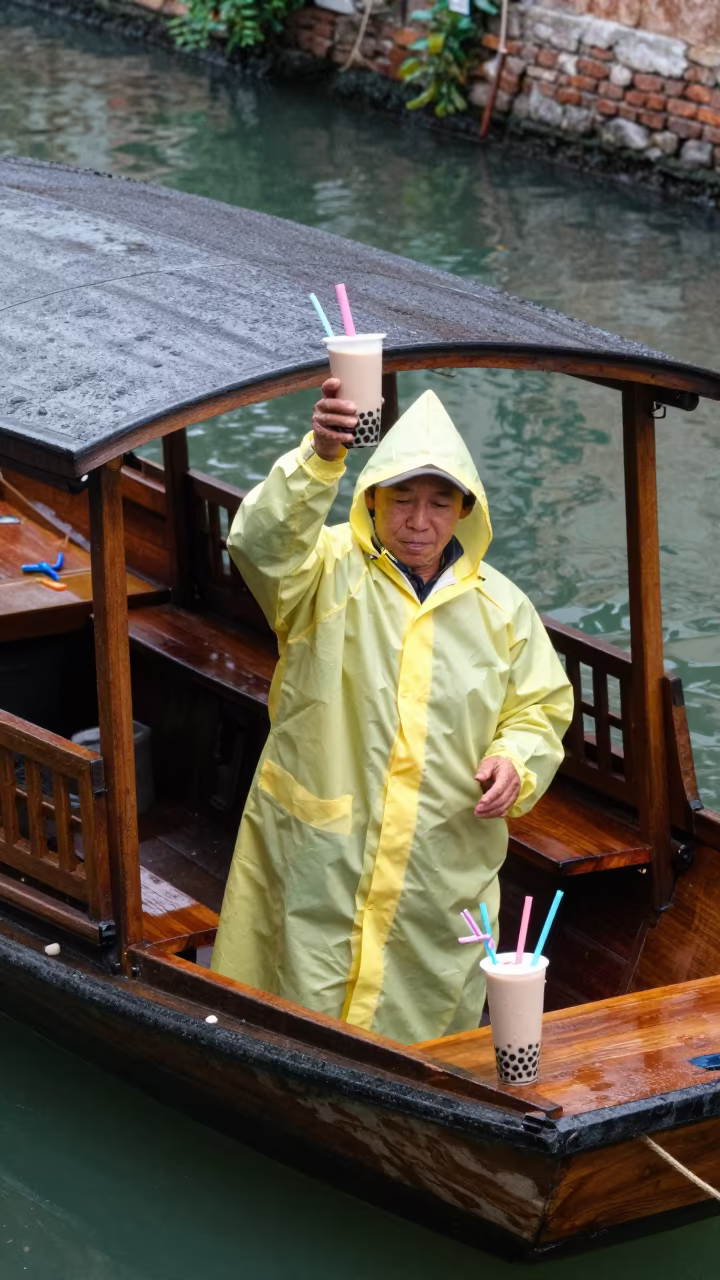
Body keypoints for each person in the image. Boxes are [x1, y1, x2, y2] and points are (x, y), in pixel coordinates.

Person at [212, 382, 573, 1044]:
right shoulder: (322, 573)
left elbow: (539, 709)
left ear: (464, 510)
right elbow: (260, 544)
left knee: (421, 1028)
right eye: (402, 500)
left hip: (439, 864)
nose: (418, 521)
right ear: (372, 499)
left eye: (439, 503)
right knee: (297, 1003)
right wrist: (320, 456)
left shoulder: (503, 609)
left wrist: (514, 762)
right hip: (325, 852)